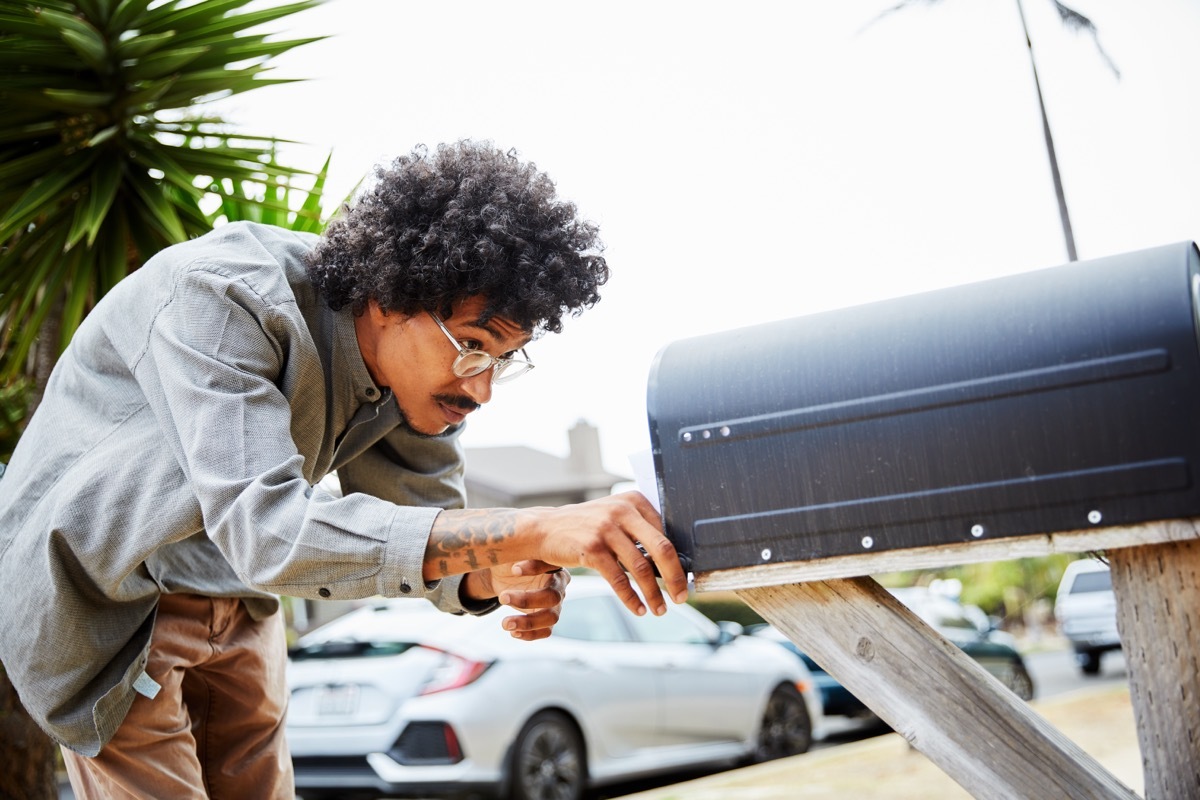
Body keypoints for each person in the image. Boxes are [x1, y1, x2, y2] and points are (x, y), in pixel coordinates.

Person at [0, 140, 688, 799]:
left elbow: (432, 530)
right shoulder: (223, 299)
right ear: (390, 303)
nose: (480, 388)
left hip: (236, 590)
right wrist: (531, 528)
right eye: (473, 346)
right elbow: (268, 531)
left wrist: (499, 568)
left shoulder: (415, 390)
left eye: (502, 361)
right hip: (111, 597)